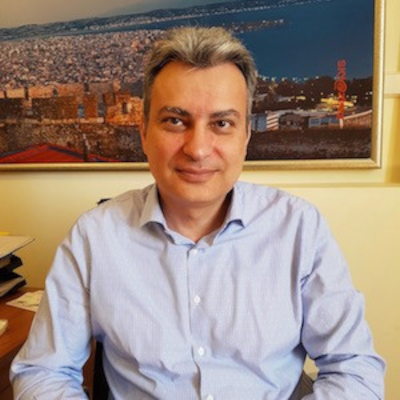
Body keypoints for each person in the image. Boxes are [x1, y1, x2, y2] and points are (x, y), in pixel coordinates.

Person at [11, 26, 385, 399]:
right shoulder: (94, 237)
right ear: (143, 133)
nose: (198, 149)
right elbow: (43, 371)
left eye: (222, 124)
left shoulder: (298, 229)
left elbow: (354, 368)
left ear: (246, 137)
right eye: (175, 121)